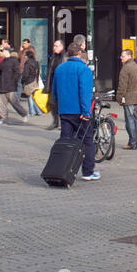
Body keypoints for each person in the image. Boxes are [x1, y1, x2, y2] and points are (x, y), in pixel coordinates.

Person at [52, 41, 98, 181]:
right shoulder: (83, 69)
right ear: (79, 53)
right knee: (87, 141)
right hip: (79, 112)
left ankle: (63, 170)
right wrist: (86, 112)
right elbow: (85, 92)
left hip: (64, 111)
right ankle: (88, 172)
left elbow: (54, 91)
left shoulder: (60, 68)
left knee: (66, 141)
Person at [118, 48, 137, 150]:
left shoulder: (125, 68)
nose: (121, 58)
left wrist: (120, 97)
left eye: (123, 56)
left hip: (128, 97)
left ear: (129, 56)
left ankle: (132, 143)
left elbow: (122, 85)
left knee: (130, 121)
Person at [0, 44, 24, 124]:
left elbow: (17, 73)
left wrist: (14, 82)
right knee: (1, 103)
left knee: (14, 102)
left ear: (7, 51)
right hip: (2, 85)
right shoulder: (3, 61)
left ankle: (24, 114)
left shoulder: (14, 61)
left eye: (3, 51)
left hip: (10, 85)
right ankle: (3, 118)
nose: (2, 52)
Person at [45, 38, 66, 130]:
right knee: (52, 103)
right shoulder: (53, 57)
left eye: (56, 46)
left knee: (61, 104)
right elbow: (50, 71)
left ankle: (62, 123)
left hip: (61, 84)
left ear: (62, 47)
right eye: (54, 46)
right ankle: (55, 121)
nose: (54, 48)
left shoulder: (64, 57)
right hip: (53, 83)